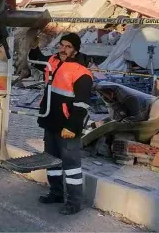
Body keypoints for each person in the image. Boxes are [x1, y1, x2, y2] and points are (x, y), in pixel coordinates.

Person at [36, 33, 93, 215]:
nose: (63, 49)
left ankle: (74, 202)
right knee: (52, 161)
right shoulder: (52, 61)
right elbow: (37, 60)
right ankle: (56, 193)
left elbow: (82, 105)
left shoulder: (81, 73)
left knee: (71, 165)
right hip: (50, 121)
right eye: (61, 45)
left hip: (67, 126)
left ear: (75, 50)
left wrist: (72, 127)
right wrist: (32, 45)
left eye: (68, 46)